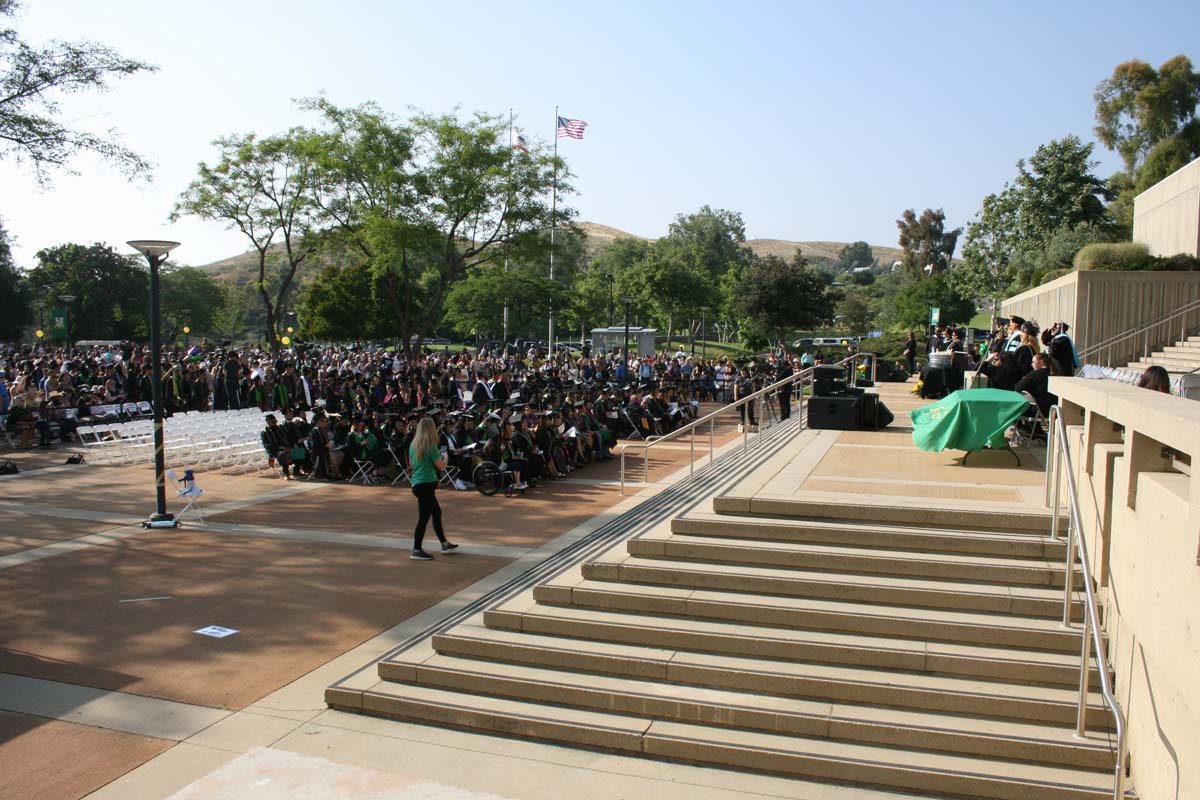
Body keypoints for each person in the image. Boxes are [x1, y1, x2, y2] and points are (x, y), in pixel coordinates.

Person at [408, 417, 457, 560]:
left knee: (436, 512)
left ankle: (444, 543)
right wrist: (445, 457)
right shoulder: (431, 445)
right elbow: (441, 467)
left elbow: (411, 465)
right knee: (423, 518)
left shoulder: (413, 445)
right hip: (426, 484)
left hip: (418, 483)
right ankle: (416, 549)